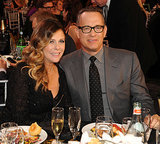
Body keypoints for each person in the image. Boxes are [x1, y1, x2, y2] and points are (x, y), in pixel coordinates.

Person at [60, 6, 158, 124]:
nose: (92, 34)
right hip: (83, 134)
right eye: (86, 28)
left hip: (121, 132)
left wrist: (147, 117)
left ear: (105, 31)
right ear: (77, 32)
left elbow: (141, 98)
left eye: (98, 28)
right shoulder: (65, 64)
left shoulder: (128, 60)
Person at [0, 18, 72, 136]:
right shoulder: (24, 71)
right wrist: (56, 130)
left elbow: (68, 111)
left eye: (61, 41)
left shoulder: (60, 72)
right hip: (20, 138)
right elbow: (19, 120)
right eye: (51, 41)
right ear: (39, 43)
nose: (57, 47)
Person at [91, 0, 157, 75]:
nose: (92, 1)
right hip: (122, 57)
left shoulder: (125, 3)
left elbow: (129, 40)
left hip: (138, 59)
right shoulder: (102, 6)